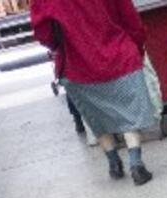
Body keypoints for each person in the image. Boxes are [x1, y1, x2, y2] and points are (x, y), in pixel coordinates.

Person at [32, 0, 157, 185]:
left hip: (77, 62)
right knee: (129, 109)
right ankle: (136, 164)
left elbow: (43, 31)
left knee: (95, 115)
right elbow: (130, 18)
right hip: (119, 55)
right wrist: (137, 45)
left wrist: (60, 43)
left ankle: (114, 163)